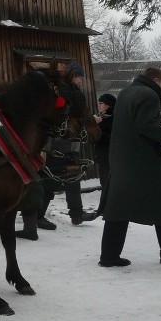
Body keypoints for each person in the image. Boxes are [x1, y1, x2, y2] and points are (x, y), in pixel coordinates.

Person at [99, 67, 161, 267]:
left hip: (121, 159)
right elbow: (146, 127)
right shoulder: (149, 95)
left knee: (118, 208)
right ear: (156, 79)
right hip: (145, 161)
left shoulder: (125, 92)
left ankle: (109, 256)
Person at [38, 61, 97, 228]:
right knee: (50, 177)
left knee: (72, 175)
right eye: (78, 76)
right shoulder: (61, 90)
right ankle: (38, 215)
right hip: (57, 141)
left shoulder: (72, 90)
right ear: (71, 75)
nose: (80, 80)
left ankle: (77, 214)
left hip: (69, 140)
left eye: (81, 77)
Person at [93, 93, 116, 217]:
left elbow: (111, 137)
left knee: (107, 182)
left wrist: (98, 125)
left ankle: (107, 208)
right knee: (105, 181)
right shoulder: (106, 116)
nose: (99, 105)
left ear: (108, 105)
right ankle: (105, 207)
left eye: (101, 103)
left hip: (109, 155)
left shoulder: (113, 118)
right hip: (104, 154)